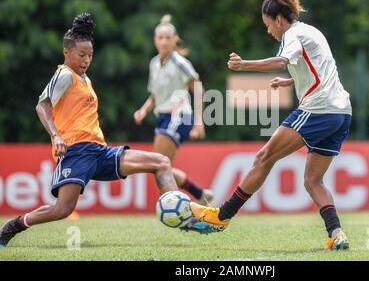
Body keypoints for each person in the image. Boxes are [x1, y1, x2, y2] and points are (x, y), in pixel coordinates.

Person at [0, 13, 212, 248]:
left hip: (99, 151)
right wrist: (56, 136)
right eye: (81, 55)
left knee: (161, 162)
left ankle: (184, 217)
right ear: (66, 53)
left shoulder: (85, 79)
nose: (86, 60)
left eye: (90, 55)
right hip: (76, 152)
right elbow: (42, 105)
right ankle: (14, 225)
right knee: (62, 209)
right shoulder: (64, 75)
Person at [190, 0, 352, 250]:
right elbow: (322, 69)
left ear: (279, 19)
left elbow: (281, 61)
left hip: (318, 110)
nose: (269, 31)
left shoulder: (291, 35)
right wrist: (291, 83)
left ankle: (222, 216)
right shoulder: (312, 31)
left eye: (268, 25)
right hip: (341, 113)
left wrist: (244, 65)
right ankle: (337, 234)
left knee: (263, 157)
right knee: (313, 181)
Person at [134, 15, 214, 206]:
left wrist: (199, 121)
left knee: (158, 165)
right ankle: (199, 194)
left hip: (179, 115)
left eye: (167, 38)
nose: (163, 41)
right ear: (155, 40)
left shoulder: (179, 62)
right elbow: (155, 95)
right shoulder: (154, 63)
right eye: (160, 38)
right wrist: (143, 110)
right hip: (163, 116)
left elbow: (198, 87)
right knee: (161, 167)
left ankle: (184, 209)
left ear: (174, 40)